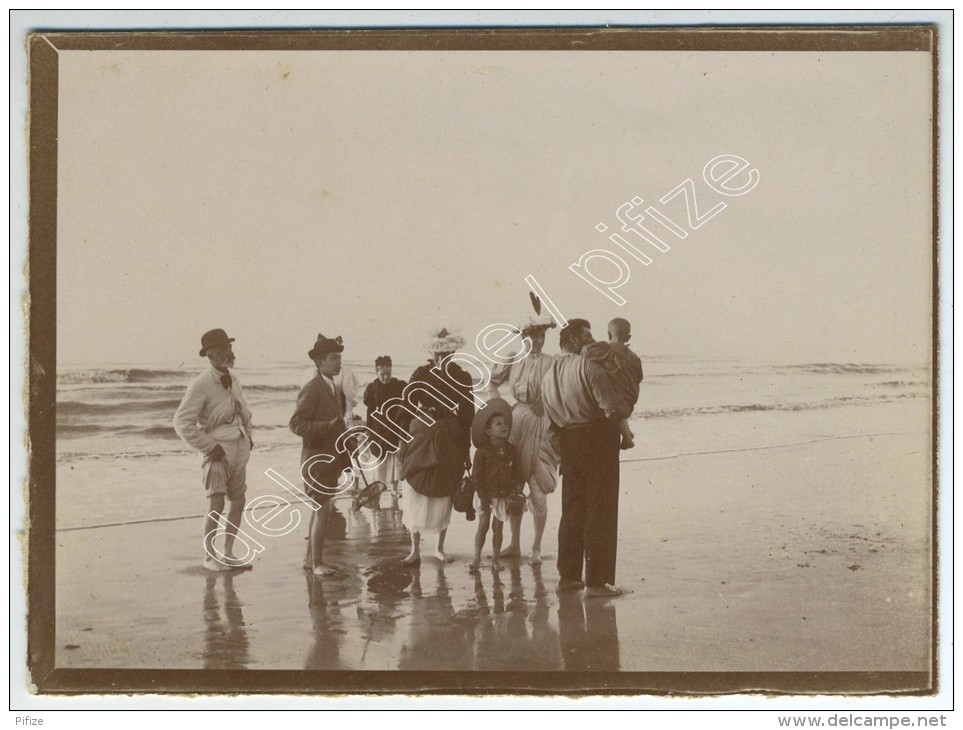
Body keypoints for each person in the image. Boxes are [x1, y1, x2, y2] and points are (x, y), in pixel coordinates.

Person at [542, 318, 632, 597]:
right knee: (600, 509)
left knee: (572, 510)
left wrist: (563, 446)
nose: (592, 341)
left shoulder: (548, 373)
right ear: (572, 341)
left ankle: (568, 577)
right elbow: (612, 408)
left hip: (569, 442)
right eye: (587, 337)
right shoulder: (589, 365)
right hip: (597, 438)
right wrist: (625, 431)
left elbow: (550, 422)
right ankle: (597, 582)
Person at [173, 328, 254, 572]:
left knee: (238, 501)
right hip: (217, 450)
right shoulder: (201, 383)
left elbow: (245, 412)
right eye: (220, 350)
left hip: (239, 447)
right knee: (216, 505)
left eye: (228, 348)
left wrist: (249, 437)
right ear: (209, 355)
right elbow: (181, 422)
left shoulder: (234, 378)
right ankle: (210, 558)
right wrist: (209, 446)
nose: (228, 353)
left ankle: (228, 553)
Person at [487, 313, 558, 565]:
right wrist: (502, 408)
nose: (538, 340)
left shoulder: (552, 362)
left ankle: (536, 547)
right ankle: (514, 544)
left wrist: (547, 404)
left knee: (538, 489)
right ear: (524, 338)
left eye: (542, 336)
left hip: (542, 426)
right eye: (534, 336)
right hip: (516, 422)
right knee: (513, 486)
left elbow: (561, 393)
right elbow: (491, 383)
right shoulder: (512, 359)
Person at [399, 328, 476, 564]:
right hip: (421, 436)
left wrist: (465, 452)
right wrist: (403, 442)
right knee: (415, 489)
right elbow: (405, 409)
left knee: (444, 492)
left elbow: (467, 417)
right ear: (432, 352)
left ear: (453, 352)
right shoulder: (421, 374)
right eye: (438, 353)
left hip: (449, 439)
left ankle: (439, 548)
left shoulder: (462, 377)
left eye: (446, 353)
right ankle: (414, 550)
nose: (441, 357)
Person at [290, 333, 351, 577]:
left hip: (329, 460)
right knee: (322, 508)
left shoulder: (333, 387)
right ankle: (317, 564)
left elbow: (337, 424)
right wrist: (328, 426)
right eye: (334, 358)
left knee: (320, 509)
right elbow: (296, 424)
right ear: (320, 362)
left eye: (339, 358)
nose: (339, 362)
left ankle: (310, 560)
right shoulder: (313, 389)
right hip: (315, 460)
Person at [469, 398, 525, 574]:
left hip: (502, 495)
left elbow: (516, 471)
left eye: (504, 423)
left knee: (498, 528)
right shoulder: (482, 452)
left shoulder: (511, 449)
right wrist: (483, 497)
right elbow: (476, 477)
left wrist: (517, 487)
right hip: (485, 494)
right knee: (483, 526)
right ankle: (476, 558)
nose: (503, 426)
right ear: (488, 431)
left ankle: (495, 559)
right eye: (498, 424)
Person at [582, 317, 644, 449]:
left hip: (617, 395)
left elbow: (587, 352)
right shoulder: (634, 356)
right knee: (620, 410)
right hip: (632, 394)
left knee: (614, 407)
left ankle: (627, 439)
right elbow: (640, 375)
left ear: (609, 334)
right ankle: (628, 433)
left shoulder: (606, 349)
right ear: (628, 337)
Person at [362, 355, 407, 495]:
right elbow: (370, 413)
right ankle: (378, 491)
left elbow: (404, 412)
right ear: (376, 372)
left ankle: (394, 489)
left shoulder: (399, 386)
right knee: (379, 463)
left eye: (388, 374)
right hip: (379, 430)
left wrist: (402, 437)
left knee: (394, 462)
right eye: (382, 374)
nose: (386, 377)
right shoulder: (372, 388)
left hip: (395, 427)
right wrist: (368, 434)